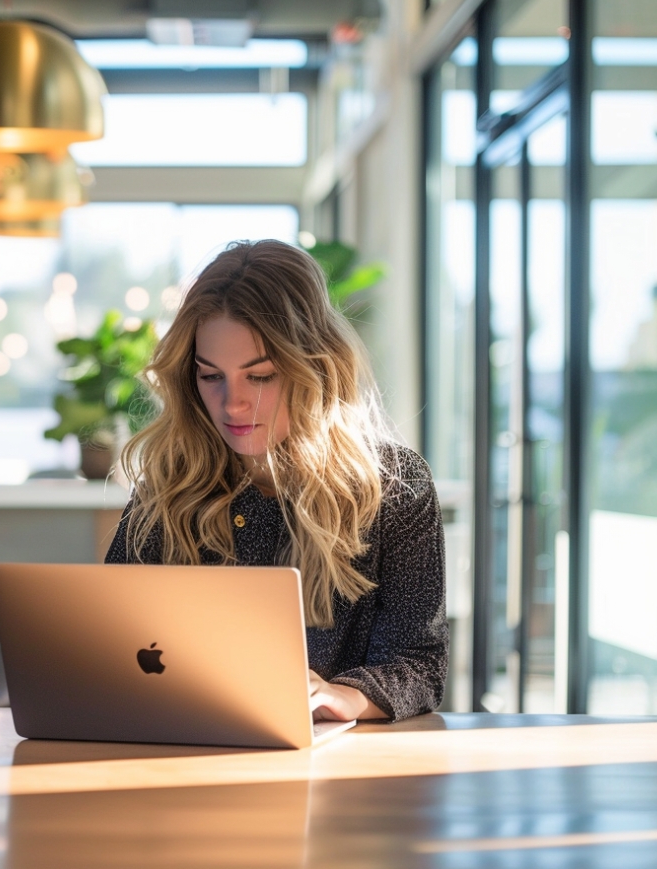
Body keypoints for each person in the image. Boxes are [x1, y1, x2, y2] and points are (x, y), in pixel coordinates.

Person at [105, 240, 447, 723]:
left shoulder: (394, 487)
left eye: (260, 376)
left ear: (316, 367)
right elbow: (107, 646)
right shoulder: (169, 485)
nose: (232, 404)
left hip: (335, 770)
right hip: (179, 748)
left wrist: (342, 696)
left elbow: (421, 665)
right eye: (210, 376)